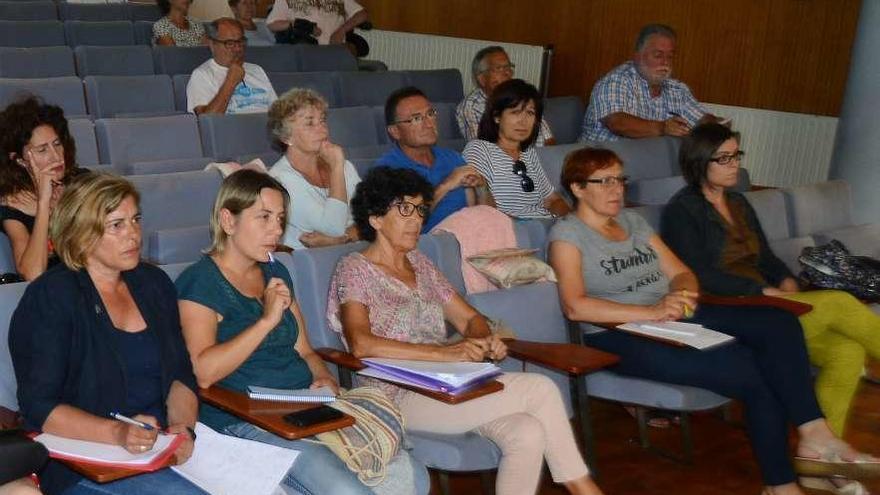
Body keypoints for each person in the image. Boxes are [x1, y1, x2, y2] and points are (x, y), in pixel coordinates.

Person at [548, 147, 880, 495]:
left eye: (620, 179)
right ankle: (781, 486)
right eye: (605, 181)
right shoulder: (568, 235)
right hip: (618, 333)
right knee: (756, 373)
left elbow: (682, 273)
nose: (617, 189)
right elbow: (576, 307)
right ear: (578, 188)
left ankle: (815, 434)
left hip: (673, 314)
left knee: (778, 322)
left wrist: (680, 297)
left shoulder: (633, 222)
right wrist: (652, 312)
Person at [327, 166, 604, 495]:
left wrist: (482, 338)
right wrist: (444, 353)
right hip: (394, 394)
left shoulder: (421, 265)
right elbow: (361, 344)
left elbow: (469, 318)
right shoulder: (354, 269)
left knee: (526, 432)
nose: (416, 219)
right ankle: (584, 489)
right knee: (540, 390)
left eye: (419, 210)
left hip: (447, 383)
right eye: (404, 210)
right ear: (374, 218)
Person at [175, 169, 427, 495]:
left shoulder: (276, 271)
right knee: (347, 491)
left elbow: (305, 350)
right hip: (244, 419)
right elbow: (203, 373)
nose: (276, 230)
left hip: (305, 407)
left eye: (280, 219)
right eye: (263, 217)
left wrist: (323, 378)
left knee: (414, 477)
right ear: (228, 220)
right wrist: (265, 321)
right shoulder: (200, 282)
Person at [660, 122, 880, 494]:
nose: (734, 165)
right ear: (700, 162)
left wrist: (786, 280)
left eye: (736, 156)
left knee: (846, 351)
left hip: (770, 301)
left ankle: (818, 465)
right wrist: (760, 289)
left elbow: (766, 257)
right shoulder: (682, 210)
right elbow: (697, 274)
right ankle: (819, 455)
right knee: (842, 305)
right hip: (734, 307)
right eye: (724, 158)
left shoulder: (740, 202)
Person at [9, 173, 203, 495]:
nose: (134, 234)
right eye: (117, 225)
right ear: (83, 235)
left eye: (136, 219)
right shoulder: (52, 297)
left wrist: (184, 428)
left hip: (160, 449)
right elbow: (39, 407)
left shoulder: (154, 284)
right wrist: (117, 433)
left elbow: (180, 374)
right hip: (84, 461)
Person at [579, 24, 719, 142]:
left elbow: (701, 118)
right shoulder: (615, 81)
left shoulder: (677, 89)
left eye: (670, 57)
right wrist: (663, 128)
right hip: (598, 164)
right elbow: (617, 123)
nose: (665, 62)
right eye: (658, 55)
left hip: (646, 165)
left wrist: (712, 124)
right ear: (638, 56)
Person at [378, 86, 490, 232]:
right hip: (427, 247)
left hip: (468, 238)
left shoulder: (452, 158)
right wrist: (445, 185)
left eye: (430, 114)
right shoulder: (388, 168)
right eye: (416, 118)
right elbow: (403, 223)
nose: (429, 124)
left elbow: (485, 214)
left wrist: (481, 187)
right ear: (395, 132)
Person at [0, 96, 83, 281]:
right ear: (20, 160)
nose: (56, 156)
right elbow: (32, 274)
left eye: (57, 144)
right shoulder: (13, 206)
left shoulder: (82, 182)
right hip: (56, 293)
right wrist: (43, 204)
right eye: (42, 150)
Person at [462, 79, 569, 220]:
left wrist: (570, 219)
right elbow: (483, 208)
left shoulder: (529, 153)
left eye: (530, 113)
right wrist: (528, 227)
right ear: (497, 117)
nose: (523, 121)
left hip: (544, 227)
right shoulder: (479, 150)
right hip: (510, 230)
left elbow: (553, 200)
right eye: (515, 112)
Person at [267, 88, 360, 249]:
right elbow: (333, 228)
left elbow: (375, 216)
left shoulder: (346, 166)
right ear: (286, 137)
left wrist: (344, 238)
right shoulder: (280, 180)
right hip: (313, 265)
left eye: (322, 120)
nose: (322, 129)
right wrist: (336, 168)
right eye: (310, 123)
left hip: (354, 252)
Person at [456, 46, 554, 146]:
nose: (507, 73)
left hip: (541, 157)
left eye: (508, 67)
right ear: (482, 79)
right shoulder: (471, 107)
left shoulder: (524, 97)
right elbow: (483, 148)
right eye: (498, 69)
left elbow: (549, 139)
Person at [186, 18, 277, 115]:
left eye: (241, 42)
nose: (238, 49)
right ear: (212, 44)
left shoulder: (256, 69)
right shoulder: (202, 75)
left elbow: (278, 112)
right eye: (230, 43)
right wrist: (230, 81)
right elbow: (206, 121)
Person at [266, 0, 368, 46]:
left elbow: (362, 14)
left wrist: (341, 31)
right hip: (305, 50)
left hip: (334, 50)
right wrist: (303, 26)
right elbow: (272, 24)